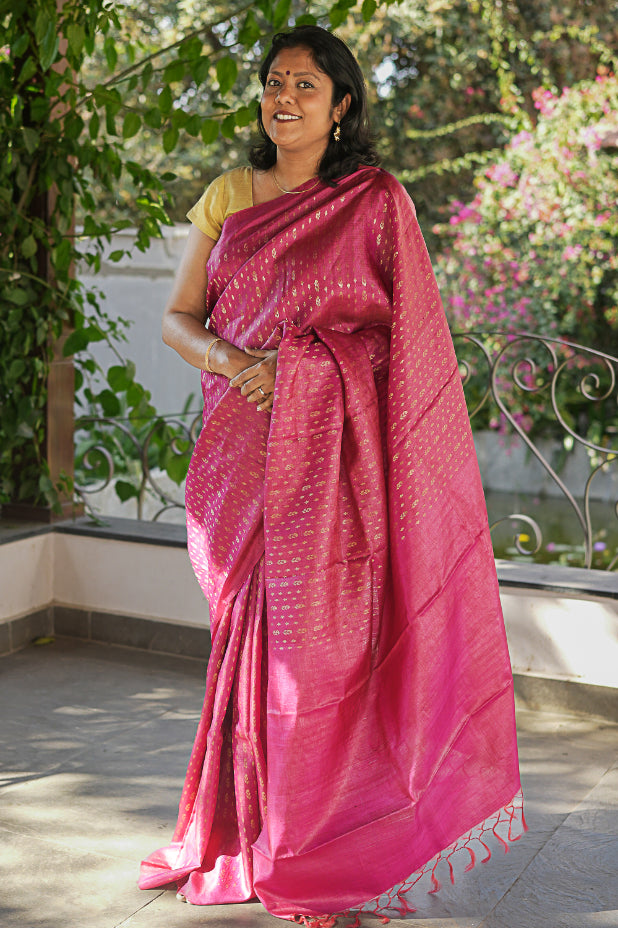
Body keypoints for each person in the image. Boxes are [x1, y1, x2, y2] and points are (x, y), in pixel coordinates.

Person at [139, 24, 525, 925]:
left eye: (306, 85)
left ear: (342, 104)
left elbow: (410, 338)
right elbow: (178, 319)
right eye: (274, 83)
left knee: (320, 655)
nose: (284, 98)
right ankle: (249, 824)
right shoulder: (231, 195)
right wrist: (242, 364)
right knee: (251, 645)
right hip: (241, 452)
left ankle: (322, 834)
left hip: (336, 459)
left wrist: (314, 369)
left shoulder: (375, 201)